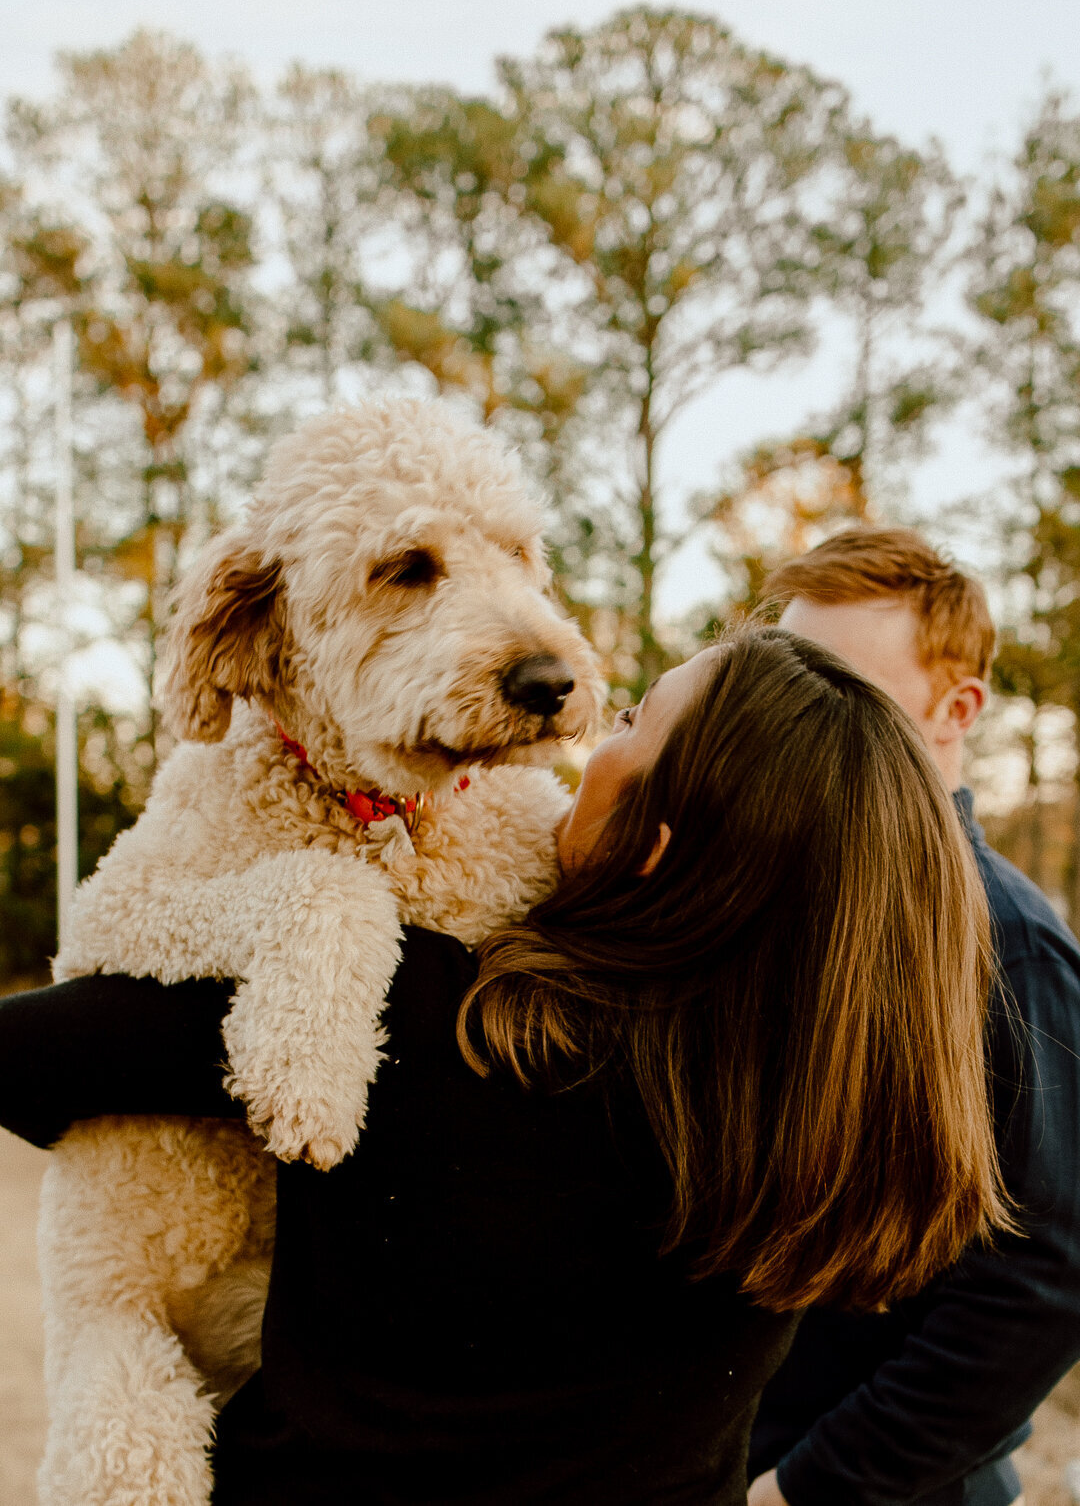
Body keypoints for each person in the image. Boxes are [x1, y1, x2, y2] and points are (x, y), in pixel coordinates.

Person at [0, 629, 1006, 1506]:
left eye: (628, 719)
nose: (588, 739)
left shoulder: (439, 1019)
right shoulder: (821, 1110)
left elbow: (29, 1060)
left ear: (650, 846)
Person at [749, 527, 1080, 1506]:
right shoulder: (769, 902)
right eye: (786, 678)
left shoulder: (1010, 941)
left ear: (957, 707)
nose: (794, 718)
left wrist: (805, 1486)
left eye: (840, 690)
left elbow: (1042, 1282)